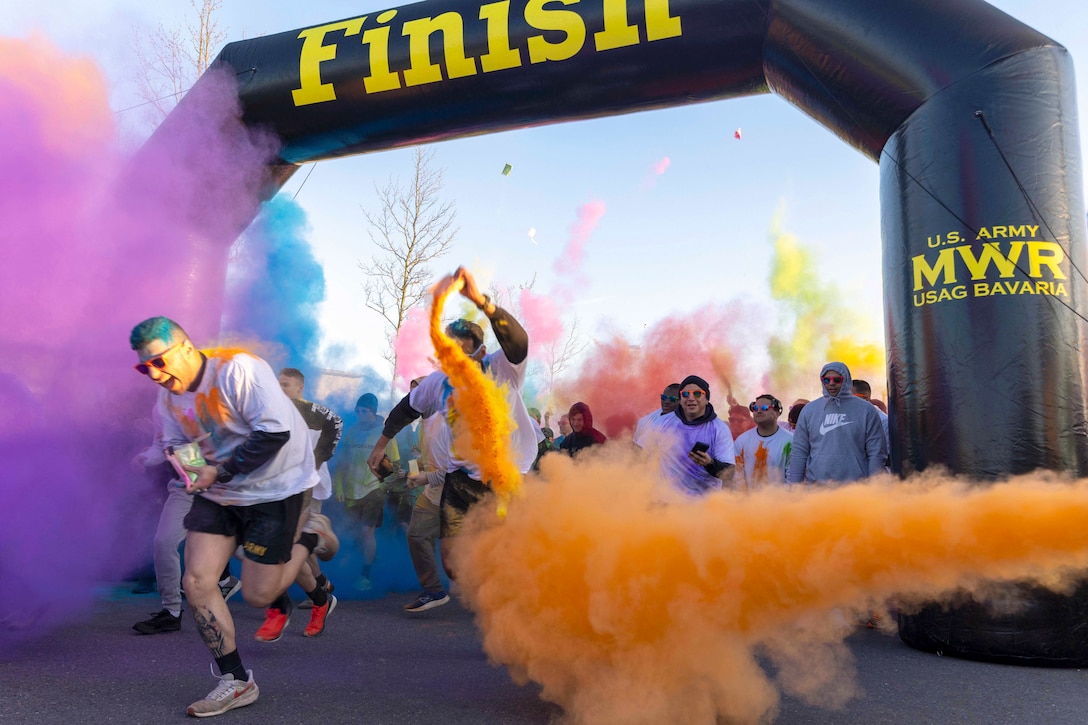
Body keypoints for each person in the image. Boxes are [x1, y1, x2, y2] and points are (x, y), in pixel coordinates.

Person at [129, 317, 338, 717]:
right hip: (220, 493)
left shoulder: (238, 370)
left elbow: (273, 433)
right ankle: (236, 681)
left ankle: (309, 534)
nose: (153, 373)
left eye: (159, 361)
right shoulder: (168, 401)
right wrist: (193, 474)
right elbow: (175, 443)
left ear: (187, 349)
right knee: (197, 580)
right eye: (144, 367)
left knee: (260, 595)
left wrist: (217, 471)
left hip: (277, 488)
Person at [366, 267, 538, 582]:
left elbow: (519, 341)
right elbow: (406, 410)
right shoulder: (438, 383)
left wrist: (481, 301)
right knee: (454, 567)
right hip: (460, 480)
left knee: (507, 551)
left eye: (462, 351)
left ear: (481, 352)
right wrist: (379, 446)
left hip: (507, 475)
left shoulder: (501, 368)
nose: (454, 359)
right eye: (449, 351)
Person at [131, 407, 243, 636]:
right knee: (164, 542)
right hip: (185, 489)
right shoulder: (161, 407)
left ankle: (280, 596)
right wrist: (146, 458)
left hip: (222, 487)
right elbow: (161, 447)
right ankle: (171, 611)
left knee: (248, 548)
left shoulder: (214, 397)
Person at [264, 367, 343, 638]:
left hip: (303, 487)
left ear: (299, 388)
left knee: (287, 547)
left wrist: (318, 458)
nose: (280, 388)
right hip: (273, 488)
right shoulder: (271, 409)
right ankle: (320, 593)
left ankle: (291, 600)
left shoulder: (313, 412)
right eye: (279, 384)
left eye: (286, 385)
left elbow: (337, 423)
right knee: (285, 549)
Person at [334, 393, 399, 591]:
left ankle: (366, 576)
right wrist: (338, 485)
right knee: (352, 532)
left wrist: (384, 484)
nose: (361, 414)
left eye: (365, 411)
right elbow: (343, 462)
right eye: (359, 411)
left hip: (373, 489)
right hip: (352, 490)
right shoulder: (352, 432)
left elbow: (394, 466)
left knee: (366, 531)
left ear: (373, 411)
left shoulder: (384, 434)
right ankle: (366, 561)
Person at [788, 362, 887, 485]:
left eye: (837, 379)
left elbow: (876, 452)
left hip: (856, 489)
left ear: (845, 380)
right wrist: (795, 487)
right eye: (826, 380)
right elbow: (799, 452)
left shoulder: (866, 409)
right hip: (816, 489)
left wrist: (875, 485)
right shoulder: (809, 410)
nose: (831, 383)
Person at [403, 376, 451, 612]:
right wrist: (413, 472)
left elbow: (456, 471)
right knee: (416, 535)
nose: (413, 399)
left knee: (461, 558)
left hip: (456, 499)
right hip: (432, 495)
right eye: (411, 394)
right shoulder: (424, 424)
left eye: (418, 393)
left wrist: (425, 477)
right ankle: (433, 590)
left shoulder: (445, 425)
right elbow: (430, 461)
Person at [642, 375, 736, 496]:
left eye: (697, 394)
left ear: (707, 399)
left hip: (705, 505)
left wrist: (709, 463)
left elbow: (729, 473)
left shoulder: (719, 428)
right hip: (667, 503)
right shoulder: (662, 422)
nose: (691, 398)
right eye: (685, 394)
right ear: (680, 399)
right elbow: (641, 455)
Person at [732, 394, 793, 490]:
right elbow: (738, 478)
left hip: (781, 502)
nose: (759, 411)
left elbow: (792, 481)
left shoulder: (790, 441)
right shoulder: (742, 441)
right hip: (748, 503)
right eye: (755, 408)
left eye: (765, 408)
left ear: (777, 413)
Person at [851, 378, 890, 467]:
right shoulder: (850, 420)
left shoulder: (883, 422)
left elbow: (886, 457)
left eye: (851, 398)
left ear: (865, 398)